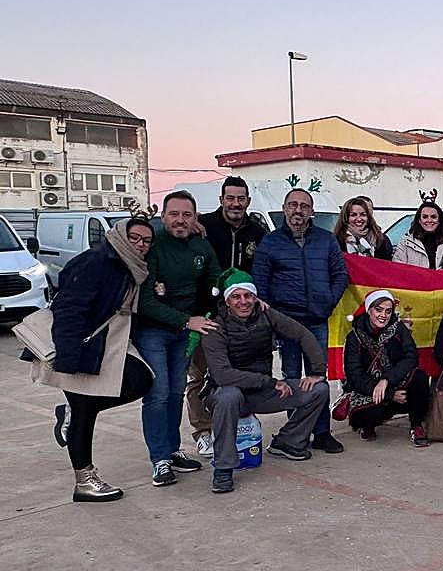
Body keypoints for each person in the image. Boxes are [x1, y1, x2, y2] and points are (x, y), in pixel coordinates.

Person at [40, 217, 156, 502]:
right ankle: (84, 480)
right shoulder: (95, 262)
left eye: (146, 240)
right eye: (135, 238)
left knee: (141, 381)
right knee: (84, 411)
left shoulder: (132, 266)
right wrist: (68, 357)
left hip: (109, 344)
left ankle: (69, 416)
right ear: (120, 236)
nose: (140, 245)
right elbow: (69, 309)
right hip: (82, 347)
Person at [202, 269, 331, 494]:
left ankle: (288, 441)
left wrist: (318, 371)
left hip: (261, 392)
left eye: (248, 296)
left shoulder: (267, 314)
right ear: (227, 300)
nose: (243, 302)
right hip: (225, 392)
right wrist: (270, 383)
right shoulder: (214, 327)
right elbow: (223, 375)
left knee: (319, 389)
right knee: (229, 395)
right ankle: (223, 467)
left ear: (255, 297)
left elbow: (303, 334)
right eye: (236, 296)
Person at [252, 187, 349, 454]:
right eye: (293, 205)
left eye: (304, 206)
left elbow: (340, 274)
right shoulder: (270, 242)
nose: (298, 210)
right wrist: (271, 318)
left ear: (311, 211)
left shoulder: (326, 240)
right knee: (292, 378)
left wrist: (329, 300)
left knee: (318, 376)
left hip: (318, 319)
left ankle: (322, 432)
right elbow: (260, 283)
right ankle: (296, 433)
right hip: (286, 322)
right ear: (284, 209)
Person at [135, 190, 220, 487]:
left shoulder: (201, 247)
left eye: (187, 215)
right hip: (154, 331)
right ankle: (159, 459)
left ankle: (172, 450)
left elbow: (215, 284)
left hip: (184, 332)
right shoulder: (153, 247)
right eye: (174, 214)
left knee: (175, 392)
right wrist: (187, 320)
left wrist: (224, 301)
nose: (180, 220)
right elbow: (146, 302)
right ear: (163, 217)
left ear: (195, 218)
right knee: (157, 394)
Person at [188, 175, 268, 459]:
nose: (235, 203)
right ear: (221, 199)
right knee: (199, 376)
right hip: (206, 313)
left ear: (248, 201)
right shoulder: (203, 227)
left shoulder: (258, 233)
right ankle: (203, 431)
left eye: (241, 198)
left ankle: (237, 426)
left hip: (242, 317)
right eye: (230, 198)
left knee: (235, 372)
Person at [341, 290, 432, 445]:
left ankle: (416, 426)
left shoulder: (398, 329)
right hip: (369, 391)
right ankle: (367, 426)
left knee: (419, 378)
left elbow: (411, 358)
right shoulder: (354, 337)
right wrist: (389, 394)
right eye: (378, 310)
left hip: (394, 382)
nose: (383, 315)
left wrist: (386, 380)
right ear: (369, 310)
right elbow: (354, 376)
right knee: (372, 414)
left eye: (388, 311)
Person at [394, 195, 443, 269]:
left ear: (439, 220)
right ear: (419, 220)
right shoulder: (405, 243)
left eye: (433, 217)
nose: (429, 220)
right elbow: (397, 269)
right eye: (425, 217)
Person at [333, 195, 395, 260]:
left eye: (363, 214)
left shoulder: (380, 239)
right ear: (346, 217)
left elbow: (386, 265)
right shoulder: (336, 241)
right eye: (353, 215)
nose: (359, 219)